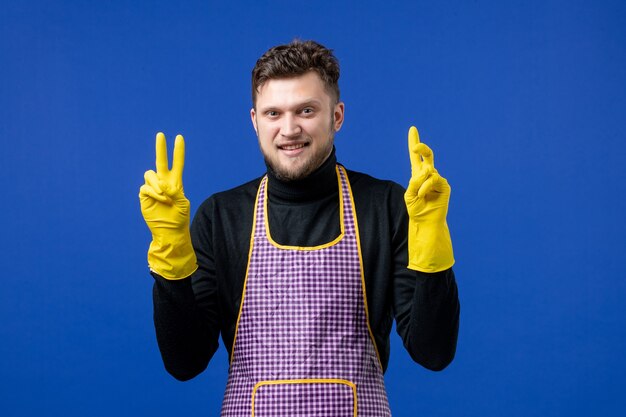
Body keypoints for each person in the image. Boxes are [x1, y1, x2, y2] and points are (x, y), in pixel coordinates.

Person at [139, 39, 460, 416]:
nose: (289, 129)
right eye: (273, 113)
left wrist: (432, 238)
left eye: (306, 110)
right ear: (255, 121)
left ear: (336, 116)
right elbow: (185, 362)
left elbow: (433, 352)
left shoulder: (386, 205)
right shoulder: (221, 216)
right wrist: (170, 255)